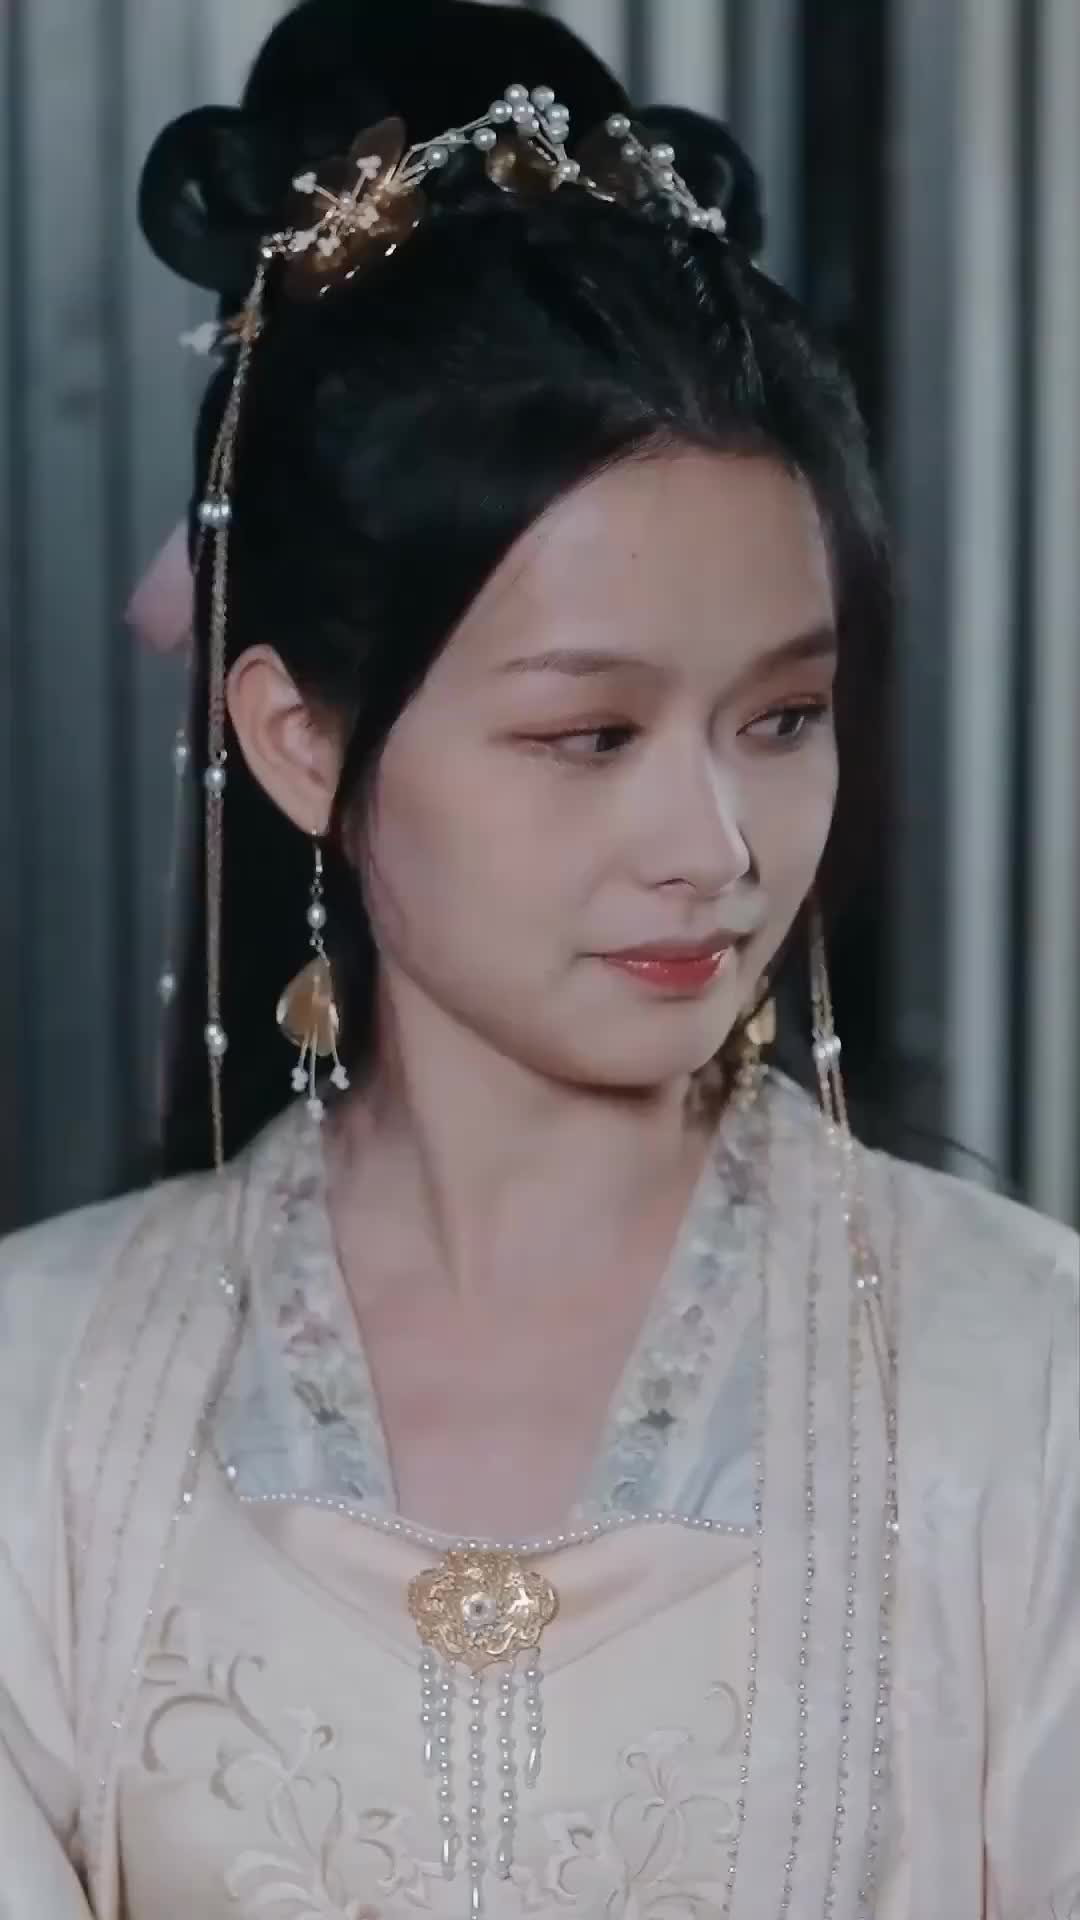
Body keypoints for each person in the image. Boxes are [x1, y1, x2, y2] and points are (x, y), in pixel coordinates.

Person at [1, 3, 1076, 1915]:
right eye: (592, 735)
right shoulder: (40, 1400)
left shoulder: (1031, 1383)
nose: (716, 848)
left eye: (782, 719)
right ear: (301, 740)